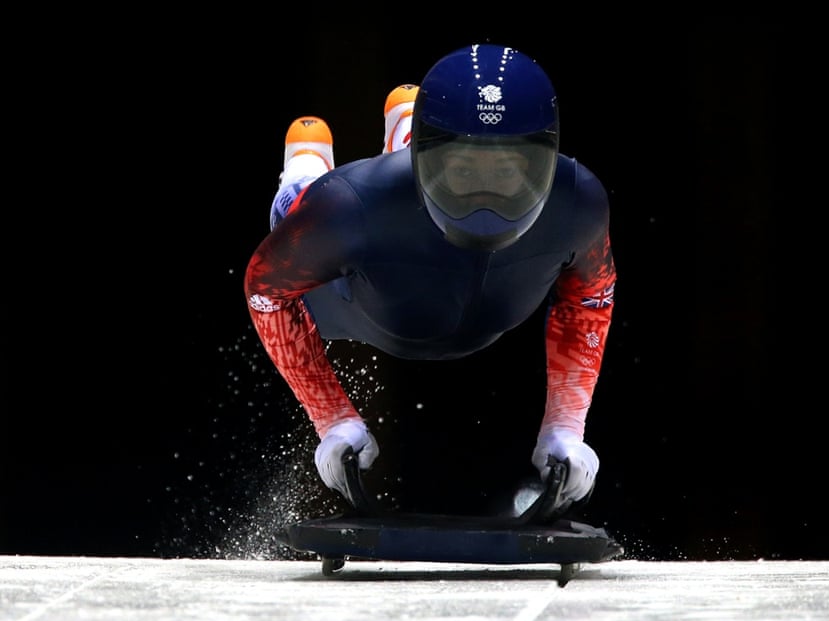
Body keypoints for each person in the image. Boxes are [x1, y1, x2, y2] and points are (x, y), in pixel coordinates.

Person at [244, 43, 616, 518]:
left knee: (368, 199)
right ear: (429, 157)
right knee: (297, 211)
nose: (485, 194)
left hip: (411, 230)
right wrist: (330, 417)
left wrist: (566, 426)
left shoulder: (579, 203)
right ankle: (303, 168)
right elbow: (265, 289)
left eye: (506, 170)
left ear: (545, 155)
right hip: (354, 298)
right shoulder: (345, 208)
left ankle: (407, 134)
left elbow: (589, 298)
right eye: (462, 169)